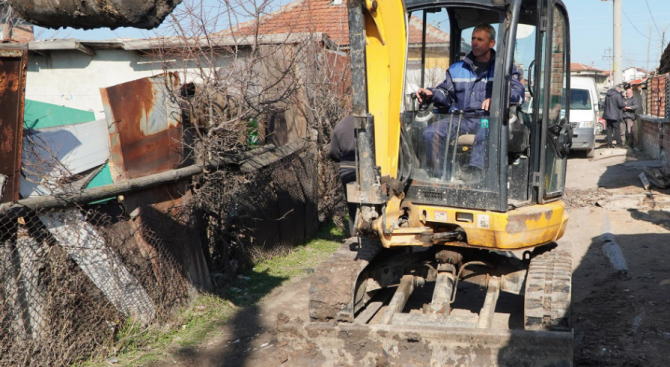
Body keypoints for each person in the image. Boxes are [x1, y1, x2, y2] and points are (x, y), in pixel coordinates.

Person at [415, 23, 524, 180]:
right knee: (431, 132)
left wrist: (498, 99)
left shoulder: (504, 68)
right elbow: (445, 93)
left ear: (492, 43)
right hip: (460, 118)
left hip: (487, 119)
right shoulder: (456, 69)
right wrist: (431, 93)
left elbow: (517, 92)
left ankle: (475, 176)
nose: (475, 42)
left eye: (480, 39)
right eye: (473, 38)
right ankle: (441, 176)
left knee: (485, 131)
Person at [328, 115, 357, 237]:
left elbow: (333, 153)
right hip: (371, 168)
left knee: (353, 206)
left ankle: (354, 234)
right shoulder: (375, 120)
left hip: (347, 169)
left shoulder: (341, 125)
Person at [602, 84, 625, 148]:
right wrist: (624, 104)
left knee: (609, 130)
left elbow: (605, 104)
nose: (620, 91)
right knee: (617, 129)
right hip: (615, 115)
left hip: (607, 115)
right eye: (620, 90)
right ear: (618, 89)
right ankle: (619, 144)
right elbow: (620, 105)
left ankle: (609, 144)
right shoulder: (617, 95)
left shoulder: (607, 95)